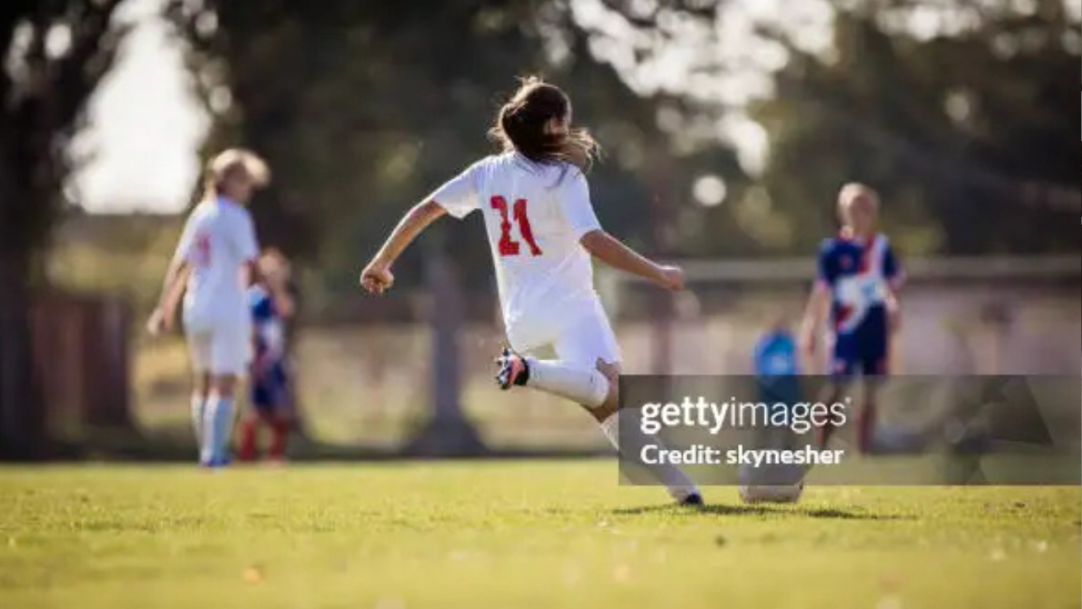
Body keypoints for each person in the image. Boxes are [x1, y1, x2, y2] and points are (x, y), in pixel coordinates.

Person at [359, 76, 702, 506]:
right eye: (566, 121)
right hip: (572, 308)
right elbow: (593, 241)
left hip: (521, 320)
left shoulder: (485, 172)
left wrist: (381, 261)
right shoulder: (563, 178)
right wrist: (659, 273)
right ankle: (530, 372)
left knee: (608, 403)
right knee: (611, 394)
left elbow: (426, 208)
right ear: (552, 125)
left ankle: (685, 491)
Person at [147, 149, 269, 468]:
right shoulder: (236, 216)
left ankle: (206, 450)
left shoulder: (201, 214)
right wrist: (268, 289)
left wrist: (165, 308)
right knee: (225, 381)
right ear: (226, 180)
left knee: (203, 381)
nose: (247, 188)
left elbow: (181, 264)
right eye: (243, 180)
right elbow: (252, 263)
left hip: (196, 307)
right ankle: (214, 455)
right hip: (228, 306)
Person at [799, 183, 904, 454]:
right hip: (846, 327)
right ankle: (820, 449)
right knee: (837, 384)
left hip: (874, 325)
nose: (860, 214)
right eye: (854, 208)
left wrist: (893, 307)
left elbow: (890, 286)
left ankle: (863, 452)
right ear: (843, 211)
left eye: (865, 208)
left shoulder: (881, 248)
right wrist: (810, 325)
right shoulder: (833, 249)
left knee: (871, 389)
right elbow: (821, 290)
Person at [238, 249, 296, 463]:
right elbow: (250, 328)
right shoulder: (254, 297)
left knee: (281, 409)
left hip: (276, 361)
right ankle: (246, 455)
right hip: (257, 360)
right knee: (253, 411)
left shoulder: (279, 297)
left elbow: (287, 310)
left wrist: (279, 287)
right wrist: (252, 358)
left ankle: (275, 455)